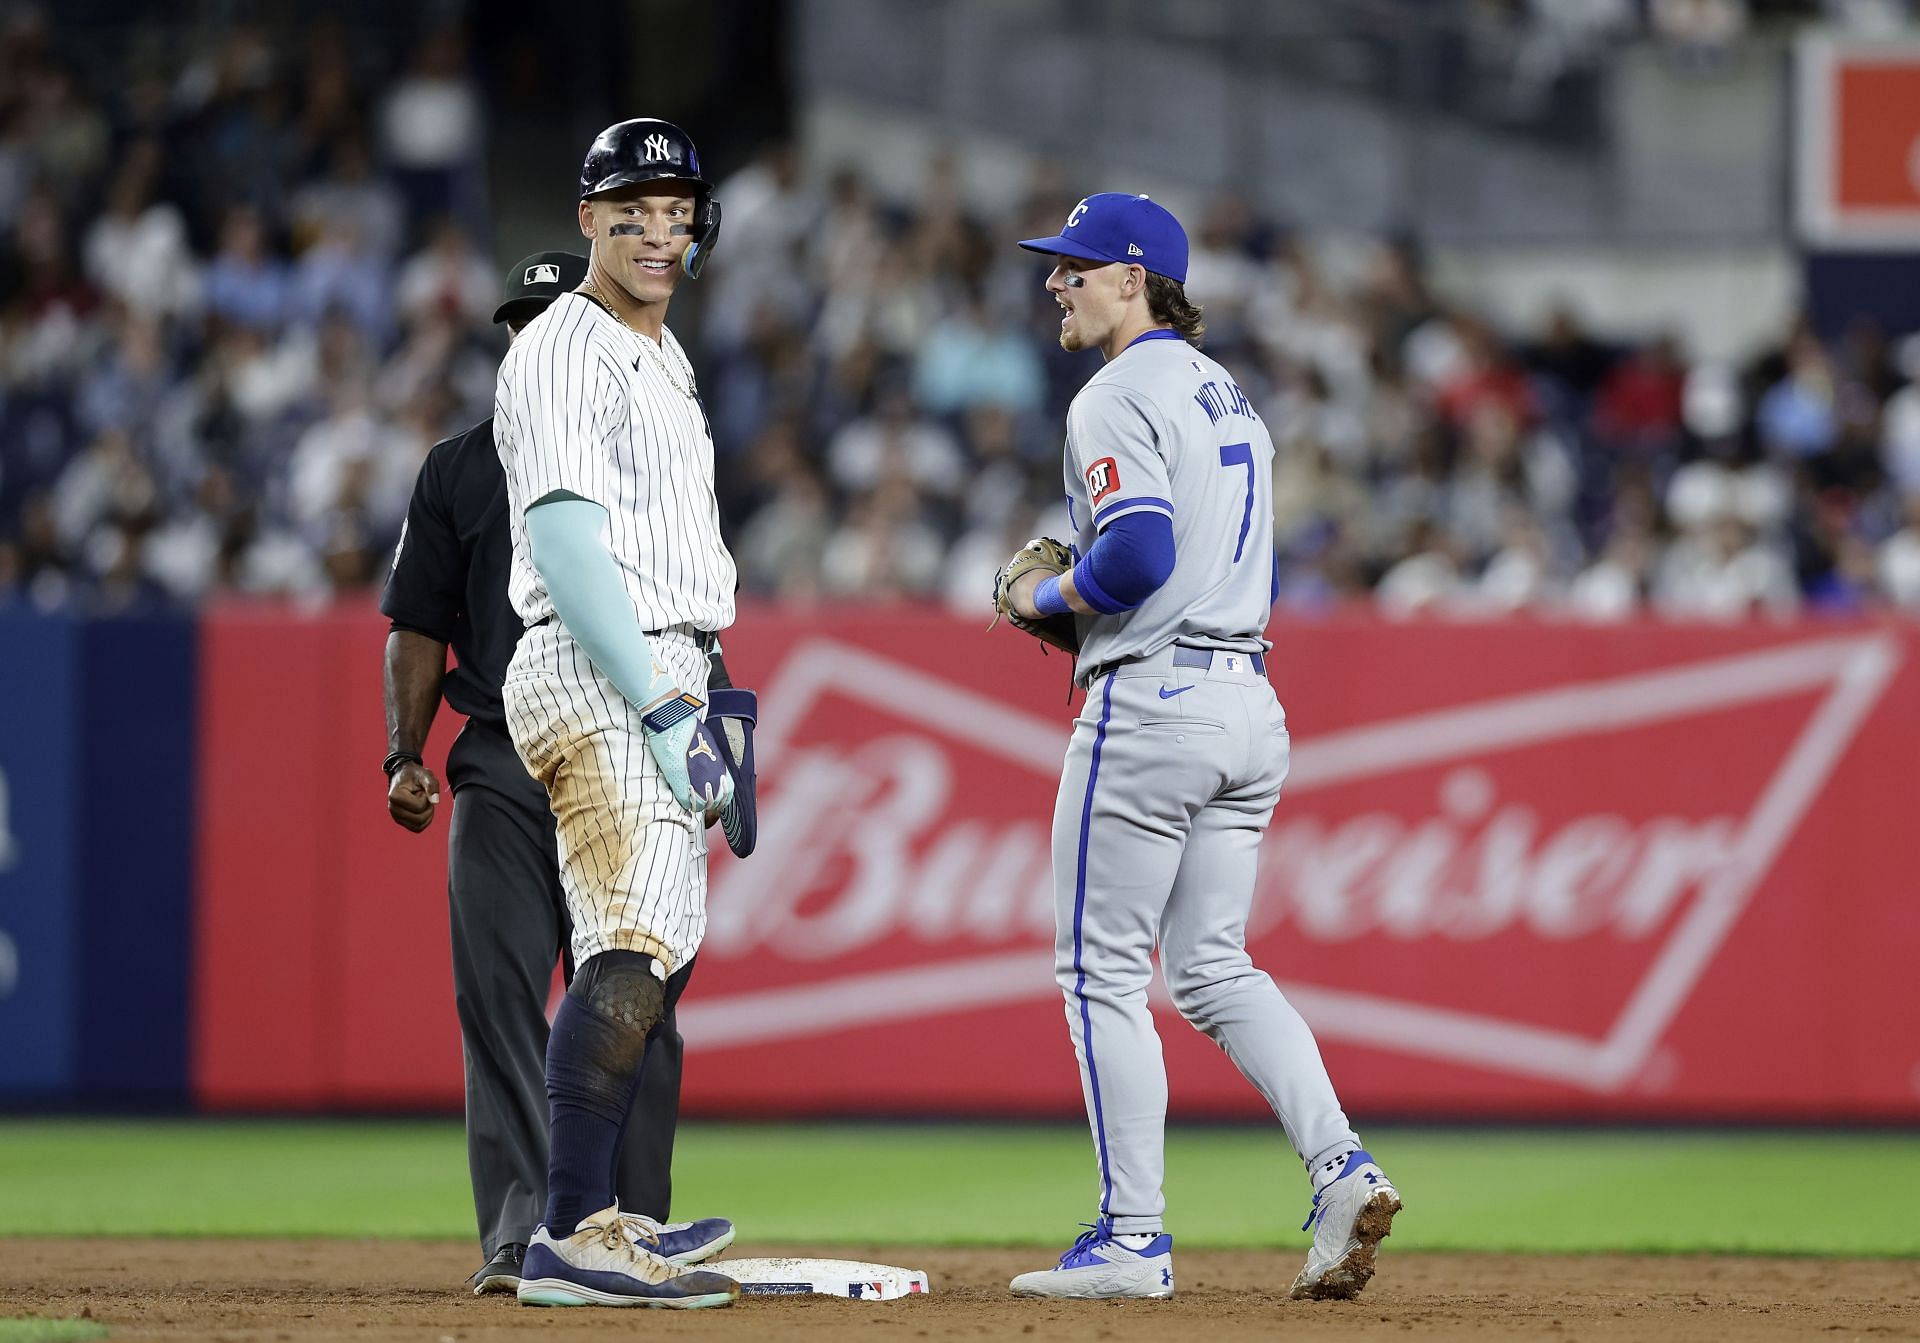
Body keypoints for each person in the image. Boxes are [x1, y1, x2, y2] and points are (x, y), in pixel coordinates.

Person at [998, 194, 1401, 1302]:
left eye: (1075, 266)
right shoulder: (1232, 394)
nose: (1055, 283)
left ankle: (1133, 1238)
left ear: (1134, 277)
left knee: (1098, 972)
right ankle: (1339, 1166)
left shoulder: (1116, 392)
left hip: (1154, 701)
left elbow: (1131, 556)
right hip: (1247, 702)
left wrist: (1048, 590)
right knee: (1215, 966)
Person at [381, 249, 753, 1295]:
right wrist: (405, 751)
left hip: (631, 743)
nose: (540, 338)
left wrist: (705, 714)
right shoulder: (460, 464)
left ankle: (625, 1222)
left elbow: (687, 604)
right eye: (524, 322)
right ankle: (518, 1234)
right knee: (501, 997)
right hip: (502, 760)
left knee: (642, 982)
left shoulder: (649, 456)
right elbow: (415, 620)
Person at [488, 117, 745, 1310]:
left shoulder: (661, 352)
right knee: (634, 942)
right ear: (586, 220)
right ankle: (568, 1234)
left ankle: (596, 1213)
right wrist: (654, 698)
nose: (657, 229)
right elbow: (562, 537)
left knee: (642, 943)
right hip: (608, 663)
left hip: (658, 660)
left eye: (675, 209)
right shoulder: (563, 343)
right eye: (630, 209)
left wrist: (688, 686)